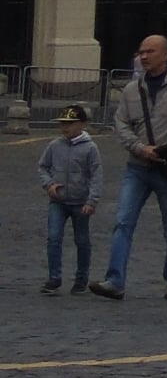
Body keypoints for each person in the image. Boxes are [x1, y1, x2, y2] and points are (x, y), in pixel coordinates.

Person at [98, 33, 167, 302]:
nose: (144, 56)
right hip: (137, 166)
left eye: (150, 51)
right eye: (141, 52)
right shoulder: (130, 90)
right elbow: (121, 125)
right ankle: (115, 281)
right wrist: (139, 147)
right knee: (123, 222)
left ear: (165, 54)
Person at [39, 105, 101, 294]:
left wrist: (92, 200)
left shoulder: (90, 148)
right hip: (58, 201)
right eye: (63, 124)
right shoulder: (54, 145)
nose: (65, 128)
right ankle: (54, 277)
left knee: (82, 240)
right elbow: (42, 167)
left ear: (82, 124)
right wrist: (49, 184)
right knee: (54, 237)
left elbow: (96, 175)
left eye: (70, 124)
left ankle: (81, 279)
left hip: (80, 202)